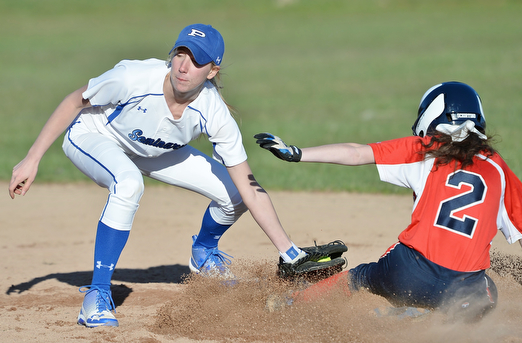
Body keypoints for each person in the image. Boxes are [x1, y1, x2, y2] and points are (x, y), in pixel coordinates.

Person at [8, 23, 311, 328]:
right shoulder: (134, 78)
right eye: (181, 53)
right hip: (96, 135)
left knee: (234, 193)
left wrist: (290, 252)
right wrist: (32, 159)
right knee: (128, 183)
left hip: (155, 150)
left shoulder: (213, 112)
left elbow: (248, 185)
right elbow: (75, 101)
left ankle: (204, 252)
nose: (183, 66)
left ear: (212, 71)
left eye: (196, 60)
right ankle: (97, 295)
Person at [255, 81, 522, 320]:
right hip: (464, 288)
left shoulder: (425, 150)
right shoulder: (498, 168)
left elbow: (357, 153)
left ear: (433, 117)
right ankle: (418, 319)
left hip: (407, 272)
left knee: (361, 277)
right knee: (487, 294)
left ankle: (291, 302)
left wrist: (297, 154)